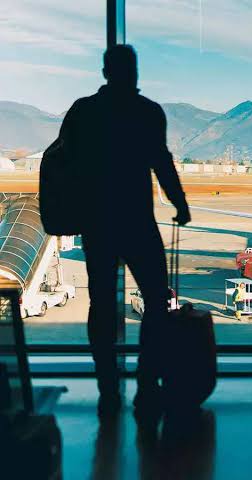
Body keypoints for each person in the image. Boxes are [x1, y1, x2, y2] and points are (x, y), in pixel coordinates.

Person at [58, 44, 190, 419]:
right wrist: (180, 204)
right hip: (137, 222)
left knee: (100, 306)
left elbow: (62, 163)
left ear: (104, 72)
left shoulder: (83, 111)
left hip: (97, 224)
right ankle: (147, 385)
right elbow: (161, 162)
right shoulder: (148, 112)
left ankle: (107, 388)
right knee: (156, 302)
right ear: (135, 72)